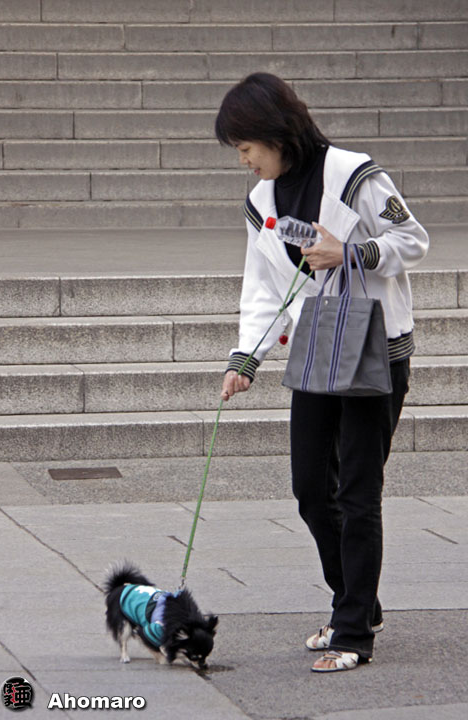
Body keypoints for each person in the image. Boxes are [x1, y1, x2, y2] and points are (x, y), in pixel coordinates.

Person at [215, 72, 429, 672]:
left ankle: (352, 631)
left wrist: (353, 251)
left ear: (274, 133)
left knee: (358, 492)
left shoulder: (354, 175)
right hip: (316, 347)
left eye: (246, 148)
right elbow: (263, 286)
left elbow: (413, 239)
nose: (245, 161)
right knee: (311, 489)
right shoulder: (261, 203)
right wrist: (246, 358)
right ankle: (357, 601)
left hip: (375, 349)